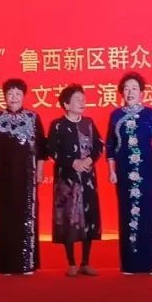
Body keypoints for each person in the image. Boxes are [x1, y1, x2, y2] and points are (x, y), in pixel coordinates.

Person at [0, 79, 46, 275]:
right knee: (4, 218)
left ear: (24, 96)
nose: (14, 97)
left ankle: (27, 264)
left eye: (18, 93)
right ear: (4, 97)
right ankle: (5, 265)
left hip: (27, 176)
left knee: (27, 217)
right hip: (3, 176)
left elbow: (42, 149)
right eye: (10, 94)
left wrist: (40, 171)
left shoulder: (33, 117)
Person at [107, 72, 152, 275]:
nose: (130, 92)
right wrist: (112, 171)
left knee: (147, 214)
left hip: (146, 171)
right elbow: (110, 146)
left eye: (134, 88)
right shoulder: (116, 115)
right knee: (126, 214)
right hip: (123, 172)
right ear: (121, 92)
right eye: (126, 88)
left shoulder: (150, 114)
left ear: (142, 92)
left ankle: (149, 263)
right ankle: (129, 264)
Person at [46, 84, 104, 277]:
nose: (82, 102)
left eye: (83, 99)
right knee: (68, 218)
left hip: (87, 179)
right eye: (77, 99)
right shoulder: (58, 125)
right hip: (67, 180)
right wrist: (72, 163)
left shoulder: (88, 123)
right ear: (66, 104)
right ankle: (71, 262)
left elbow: (99, 145)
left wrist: (89, 160)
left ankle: (85, 262)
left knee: (89, 217)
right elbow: (51, 150)